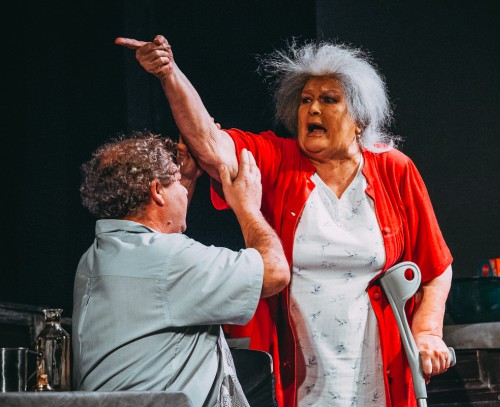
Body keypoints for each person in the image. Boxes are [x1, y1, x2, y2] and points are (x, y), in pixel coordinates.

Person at [116, 35, 454, 407]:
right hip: (296, 374)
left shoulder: (394, 169)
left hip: (377, 370)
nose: (313, 109)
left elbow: (436, 266)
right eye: (306, 100)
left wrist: (428, 331)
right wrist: (169, 74)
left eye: (329, 100)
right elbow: (210, 145)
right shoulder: (277, 160)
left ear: (360, 119)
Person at [73, 130, 290, 407]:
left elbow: (161, 258)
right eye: (176, 182)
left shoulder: (94, 258)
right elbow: (275, 272)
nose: (184, 193)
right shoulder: (167, 261)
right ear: (157, 191)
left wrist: (185, 177)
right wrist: (248, 207)